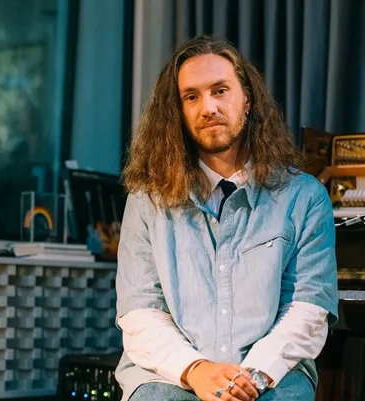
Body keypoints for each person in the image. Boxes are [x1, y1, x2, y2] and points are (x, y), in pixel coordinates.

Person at [115, 35, 338, 401]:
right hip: (170, 373)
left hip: (271, 373)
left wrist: (250, 378)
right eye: (191, 97)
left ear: (247, 99)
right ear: (178, 111)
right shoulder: (146, 200)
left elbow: (307, 309)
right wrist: (196, 370)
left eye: (220, 91)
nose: (208, 107)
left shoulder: (305, 197)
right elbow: (141, 309)